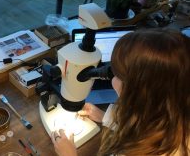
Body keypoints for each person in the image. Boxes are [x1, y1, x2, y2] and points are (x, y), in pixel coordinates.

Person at [51, 28, 190, 156]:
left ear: (141, 91)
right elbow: (149, 129)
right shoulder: (174, 114)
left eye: (119, 75)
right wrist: (107, 117)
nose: (113, 81)